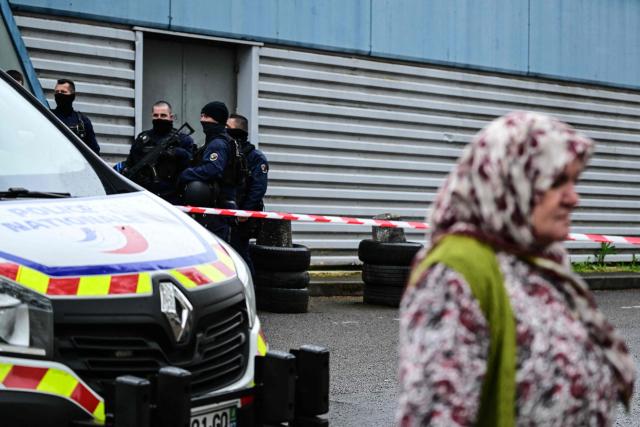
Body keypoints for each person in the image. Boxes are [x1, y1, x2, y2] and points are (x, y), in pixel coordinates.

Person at [396, 112, 635, 426]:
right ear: (509, 179)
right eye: (557, 181)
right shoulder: (453, 273)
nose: (574, 198)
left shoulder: (542, 262)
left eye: (574, 181)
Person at [180, 101, 240, 242]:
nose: (202, 120)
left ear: (217, 119)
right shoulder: (218, 141)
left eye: (206, 116)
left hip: (216, 209)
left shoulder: (218, 144)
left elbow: (212, 169)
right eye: (201, 116)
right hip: (216, 208)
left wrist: (186, 174)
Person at [117, 100, 195, 203]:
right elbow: (131, 161)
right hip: (144, 195)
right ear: (152, 116)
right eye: (156, 115)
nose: (159, 118)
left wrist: (177, 152)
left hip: (172, 197)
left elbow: (191, 164)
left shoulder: (182, 139)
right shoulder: (143, 139)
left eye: (163, 115)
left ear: (171, 117)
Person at [227, 113, 269, 274]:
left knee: (241, 253)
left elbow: (258, 188)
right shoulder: (227, 152)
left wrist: (245, 211)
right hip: (226, 212)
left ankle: (252, 291)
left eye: (228, 129)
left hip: (243, 216)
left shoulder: (255, 157)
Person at [52, 78, 100, 154]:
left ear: (72, 96)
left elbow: (94, 152)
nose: (59, 94)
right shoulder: (48, 117)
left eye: (63, 92)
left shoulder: (83, 121)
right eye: (57, 92)